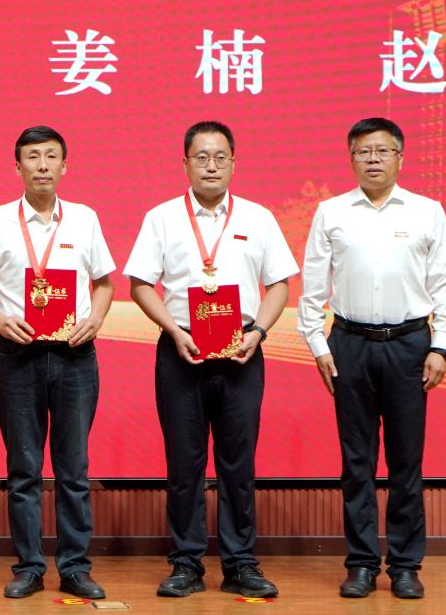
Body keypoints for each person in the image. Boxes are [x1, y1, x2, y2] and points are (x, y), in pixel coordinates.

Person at [123, 121, 297, 600]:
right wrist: (173, 330)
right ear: (185, 164)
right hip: (182, 351)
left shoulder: (258, 218)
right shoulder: (162, 218)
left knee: (238, 464)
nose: (211, 166)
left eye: (220, 157)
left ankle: (241, 563)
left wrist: (259, 332)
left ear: (234, 163)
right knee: (185, 465)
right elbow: (140, 284)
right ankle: (186, 563)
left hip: (242, 351)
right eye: (201, 157)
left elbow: (279, 284)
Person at [298, 117, 446, 601]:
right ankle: (362, 563)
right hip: (349, 345)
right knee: (357, 462)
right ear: (351, 158)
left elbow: (445, 282)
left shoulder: (427, 212)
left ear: (400, 157)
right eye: (363, 151)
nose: (373, 159)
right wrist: (318, 346)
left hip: (410, 344)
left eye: (382, 150)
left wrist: (441, 344)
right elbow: (313, 286)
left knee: (406, 461)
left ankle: (406, 565)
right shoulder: (331, 212)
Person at [0, 125, 113, 601]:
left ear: (65, 165)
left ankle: (75, 567)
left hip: (74, 355)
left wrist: (96, 319)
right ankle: (28, 567)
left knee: (74, 469)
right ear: (17, 166)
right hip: (19, 356)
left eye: (50, 156)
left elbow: (105, 282)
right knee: (24, 469)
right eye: (32, 156)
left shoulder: (84, 218)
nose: (42, 165)